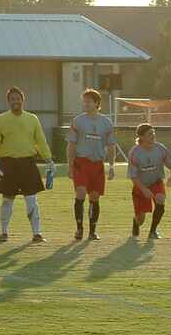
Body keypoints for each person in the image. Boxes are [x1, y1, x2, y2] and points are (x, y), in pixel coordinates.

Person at [0, 86, 56, 243]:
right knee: (7, 199)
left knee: (31, 199)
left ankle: (37, 234)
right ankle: (4, 233)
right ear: (8, 101)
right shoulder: (0, 120)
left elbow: (40, 141)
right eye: (12, 99)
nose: (15, 101)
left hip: (28, 163)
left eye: (18, 98)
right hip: (8, 164)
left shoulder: (32, 119)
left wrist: (49, 160)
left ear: (22, 100)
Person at [65, 89, 117, 241]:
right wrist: (70, 166)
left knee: (94, 198)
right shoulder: (78, 121)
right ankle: (79, 228)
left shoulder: (106, 122)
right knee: (80, 194)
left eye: (88, 101)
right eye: (84, 101)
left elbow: (111, 146)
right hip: (81, 163)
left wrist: (112, 166)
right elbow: (71, 145)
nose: (85, 104)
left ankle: (92, 231)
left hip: (97, 165)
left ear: (97, 103)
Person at [128, 124, 171, 239]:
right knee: (141, 219)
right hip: (141, 185)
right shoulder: (134, 152)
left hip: (156, 182)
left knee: (160, 199)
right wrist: (144, 190)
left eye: (154, 133)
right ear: (141, 137)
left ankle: (153, 231)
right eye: (150, 134)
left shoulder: (160, 148)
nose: (153, 135)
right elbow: (133, 176)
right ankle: (136, 222)